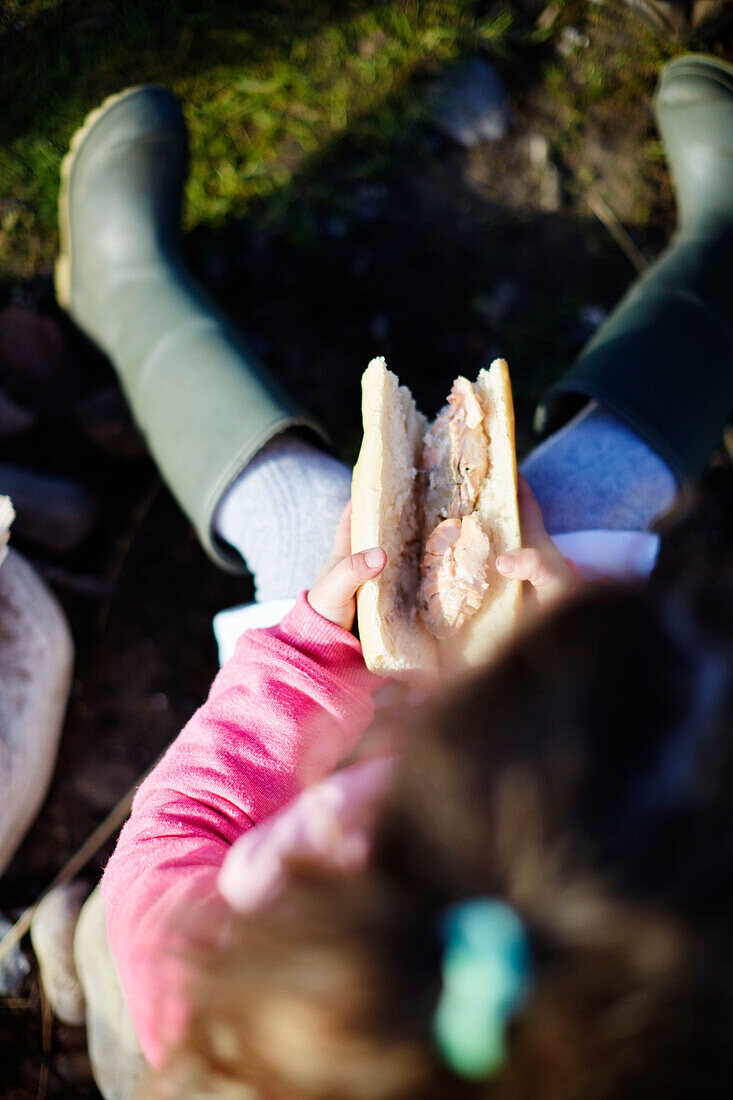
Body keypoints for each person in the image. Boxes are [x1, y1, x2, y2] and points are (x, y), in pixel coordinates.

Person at [51, 50, 733, 1098]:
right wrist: (570, 645)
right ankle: (718, 267)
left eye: (376, 841)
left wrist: (313, 650)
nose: (354, 808)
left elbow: (179, 832)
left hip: (166, 989)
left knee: (306, 518)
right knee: (587, 504)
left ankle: (122, 285)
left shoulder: (205, 970)